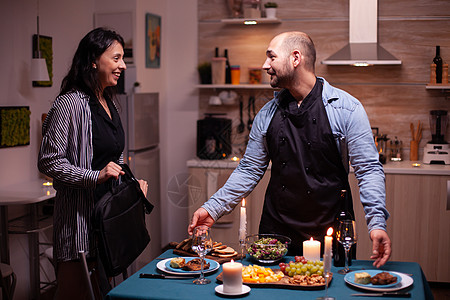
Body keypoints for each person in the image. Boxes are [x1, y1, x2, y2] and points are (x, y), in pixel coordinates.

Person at [188, 31, 391, 268]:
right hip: (276, 232)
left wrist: (377, 223)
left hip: (330, 232)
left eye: (271, 57)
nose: (265, 65)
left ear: (296, 58)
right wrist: (212, 208)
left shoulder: (346, 109)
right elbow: (249, 169)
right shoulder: (266, 114)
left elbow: (368, 170)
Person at [38, 27, 148, 299]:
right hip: (80, 225)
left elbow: (116, 159)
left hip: (107, 223)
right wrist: (94, 176)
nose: (122, 65)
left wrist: (131, 191)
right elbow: (49, 162)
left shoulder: (109, 101)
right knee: (76, 294)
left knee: (102, 293)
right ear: (93, 60)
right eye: (116, 58)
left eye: (122, 58)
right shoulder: (69, 104)